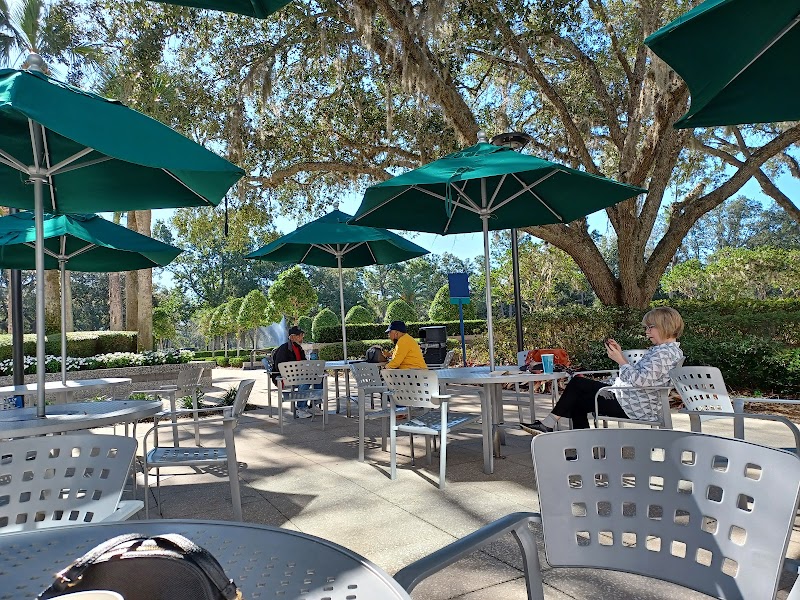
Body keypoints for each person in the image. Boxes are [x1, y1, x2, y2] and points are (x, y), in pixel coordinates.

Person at [527, 306, 685, 433]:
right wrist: (621, 355)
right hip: (632, 400)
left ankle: (549, 426)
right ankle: (578, 445)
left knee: (577, 384)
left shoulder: (664, 353)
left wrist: (621, 360)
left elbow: (641, 381)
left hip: (634, 406)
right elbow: (640, 376)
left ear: (665, 326)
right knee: (577, 400)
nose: (647, 332)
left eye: (651, 327)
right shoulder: (665, 351)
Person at [271, 325, 316, 419]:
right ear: (292, 337)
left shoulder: (299, 348)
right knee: (307, 380)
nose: (302, 337)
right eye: (300, 335)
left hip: (296, 376)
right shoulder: (284, 349)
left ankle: (315, 404)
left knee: (319, 377)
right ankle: (300, 408)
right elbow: (279, 366)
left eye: (302, 335)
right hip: (283, 378)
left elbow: (304, 363)